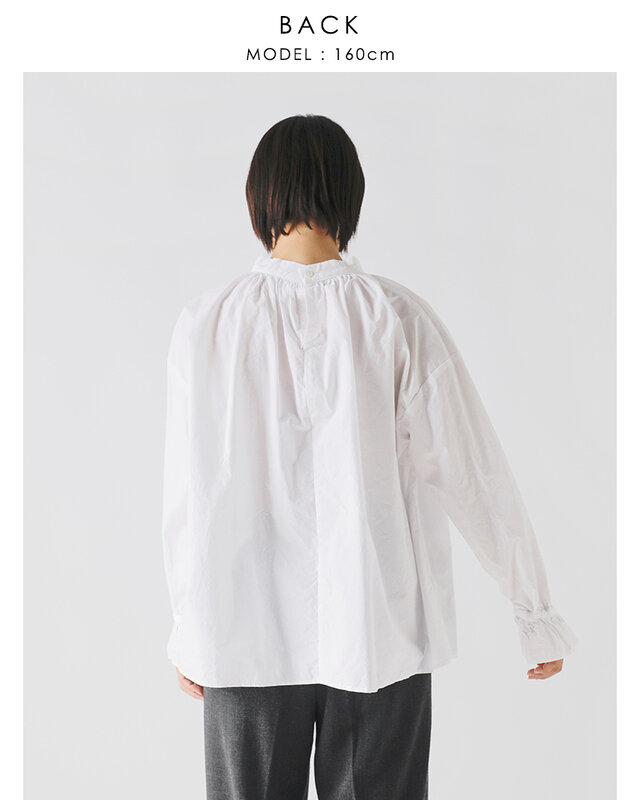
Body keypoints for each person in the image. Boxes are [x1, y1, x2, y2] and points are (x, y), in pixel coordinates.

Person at [161, 114, 578, 799]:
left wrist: (190, 626)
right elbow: (473, 471)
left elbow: (188, 493)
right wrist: (533, 612)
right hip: (379, 628)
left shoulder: (206, 324)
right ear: (350, 195)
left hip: (242, 631)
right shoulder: (397, 317)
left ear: (258, 197)